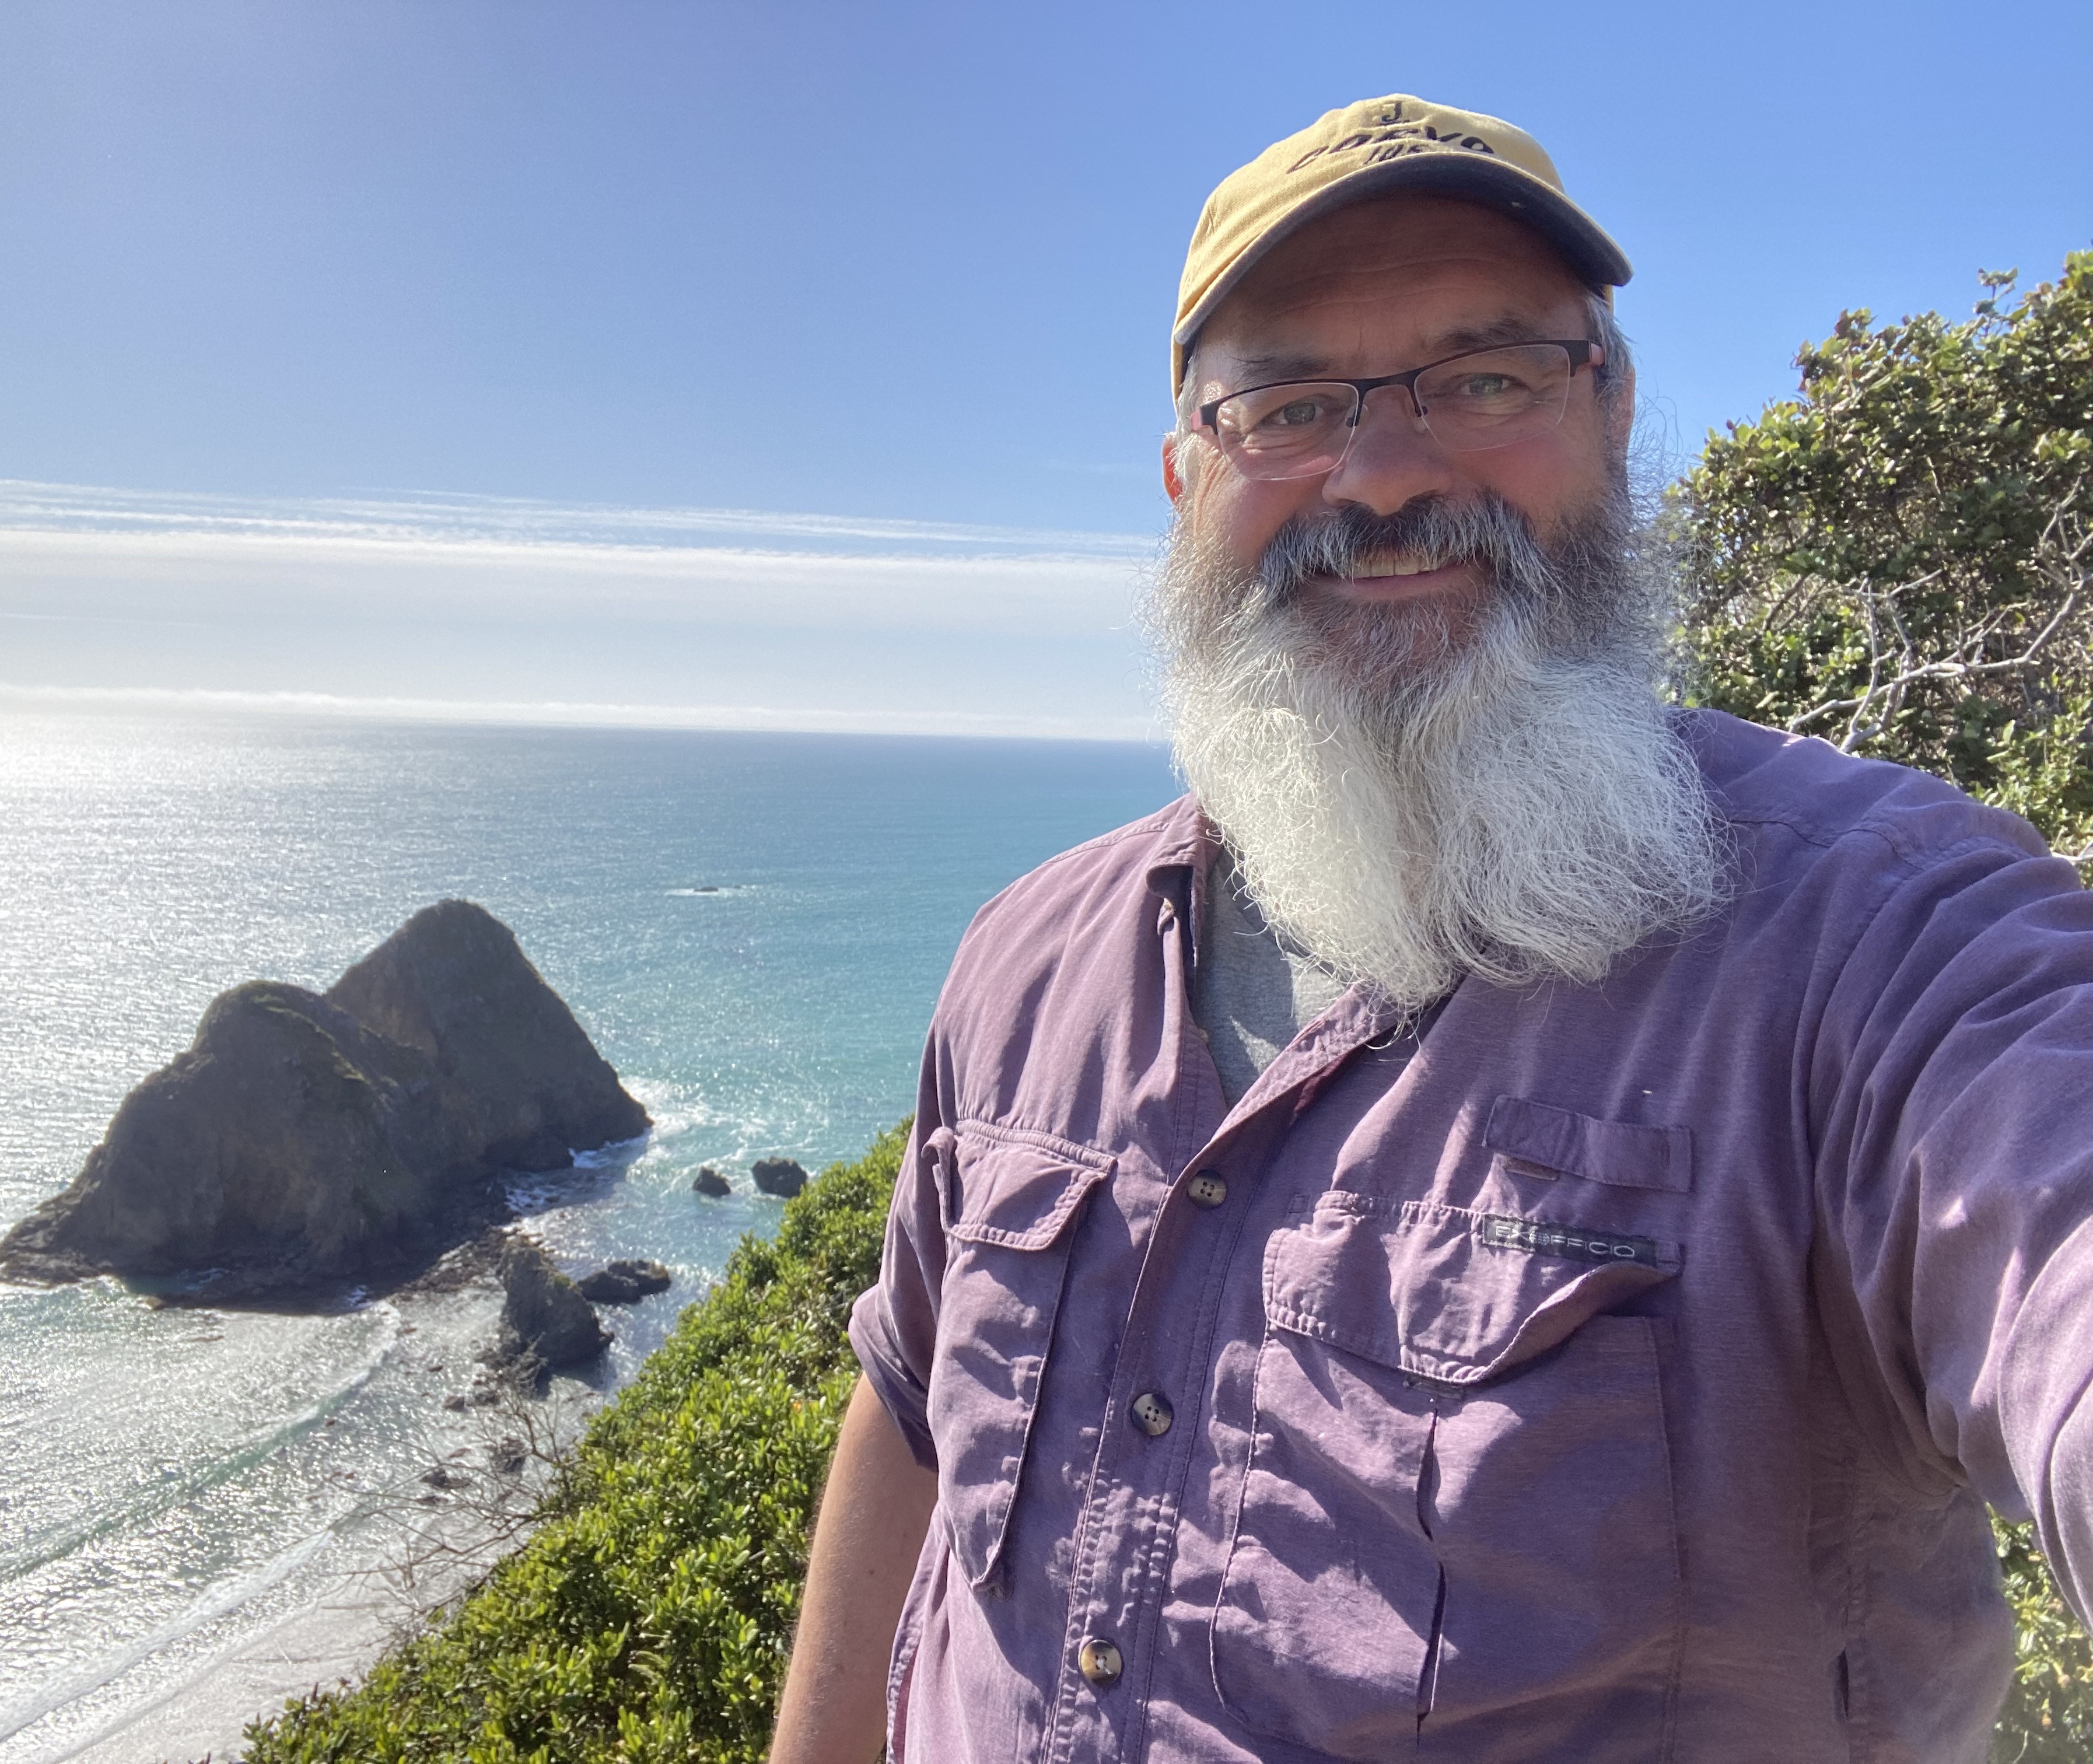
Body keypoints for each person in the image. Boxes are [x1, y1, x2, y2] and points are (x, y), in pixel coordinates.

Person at [769, 94, 2093, 1763]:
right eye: (1288, 406)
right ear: (1187, 480)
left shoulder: (1879, 937)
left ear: (1611, 413)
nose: (1386, 473)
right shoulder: (1028, 958)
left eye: (1486, 379)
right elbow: (907, 1409)